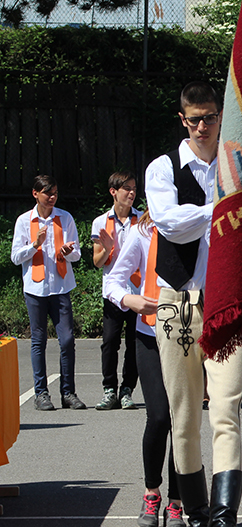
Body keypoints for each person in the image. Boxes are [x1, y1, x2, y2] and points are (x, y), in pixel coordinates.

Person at [145, 81, 242, 527]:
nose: (203, 127)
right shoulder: (162, 168)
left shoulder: (238, 164)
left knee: (225, 407)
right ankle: (197, 515)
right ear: (181, 120)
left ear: (220, 115)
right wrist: (221, 210)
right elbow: (169, 223)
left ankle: (226, 517)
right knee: (183, 414)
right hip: (178, 299)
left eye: (210, 117)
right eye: (194, 120)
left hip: (229, 301)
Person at [105, 213, 184, 527]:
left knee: (183, 422)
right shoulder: (141, 234)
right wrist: (129, 298)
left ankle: (177, 503)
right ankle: (152, 493)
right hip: (150, 336)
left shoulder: (199, 232)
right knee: (160, 417)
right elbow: (113, 279)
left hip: (188, 337)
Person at [10, 175, 85, 411]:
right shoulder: (24, 221)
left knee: (67, 340)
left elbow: (77, 255)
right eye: (47, 193)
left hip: (61, 288)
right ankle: (41, 393)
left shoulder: (65, 218)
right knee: (38, 341)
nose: (52, 197)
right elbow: (14, 257)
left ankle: (68, 393)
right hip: (35, 289)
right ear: (35, 194)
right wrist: (34, 245)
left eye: (54, 193)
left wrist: (67, 251)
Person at [91, 170, 142, 411]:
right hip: (113, 292)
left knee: (134, 342)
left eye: (134, 189)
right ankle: (109, 389)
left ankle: (127, 390)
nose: (132, 193)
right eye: (127, 189)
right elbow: (97, 262)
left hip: (137, 291)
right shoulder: (101, 222)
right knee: (110, 341)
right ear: (114, 191)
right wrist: (108, 249)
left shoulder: (142, 219)